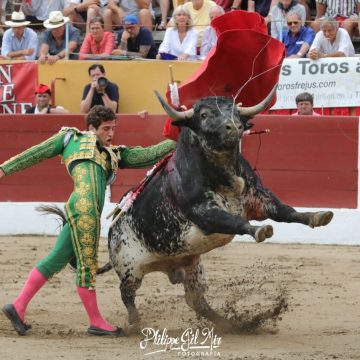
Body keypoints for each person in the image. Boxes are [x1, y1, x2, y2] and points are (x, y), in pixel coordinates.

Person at [0, 105, 176, 337]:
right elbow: (35, 153)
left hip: (86, 209)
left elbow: (148, 155)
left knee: (55, 259)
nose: (111, 133)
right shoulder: (70, 137)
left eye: (113, 128)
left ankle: (18, 307)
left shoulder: (115, 153)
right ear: (91, 128)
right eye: (105, 129)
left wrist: (177, 137)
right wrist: (3, 169)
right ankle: (96, 322)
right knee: (87, 264)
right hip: (85, 209)